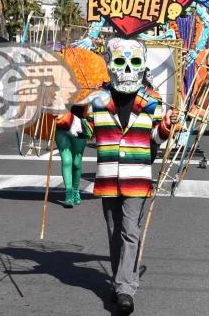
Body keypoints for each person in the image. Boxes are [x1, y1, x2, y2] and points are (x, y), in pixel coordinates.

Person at [67, 38, 176, 314]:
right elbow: (87, 132)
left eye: (134, 61)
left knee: (130, 231)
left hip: (137, 178)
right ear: (109, 64)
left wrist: (164, 127)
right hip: (107, 177)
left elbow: (155, 138)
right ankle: (121, 280)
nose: (127, 68)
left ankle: (126, 288)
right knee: (114, 232)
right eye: (120, 61)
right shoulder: (98, 100)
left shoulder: (152, 102)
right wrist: (66, 120)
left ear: (142, 66)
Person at [55, 114, 88, 207]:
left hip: (80, 124)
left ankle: (76, 191)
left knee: (76, 163)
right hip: (61, 125)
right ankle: (69, 193)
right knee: (66, 161)